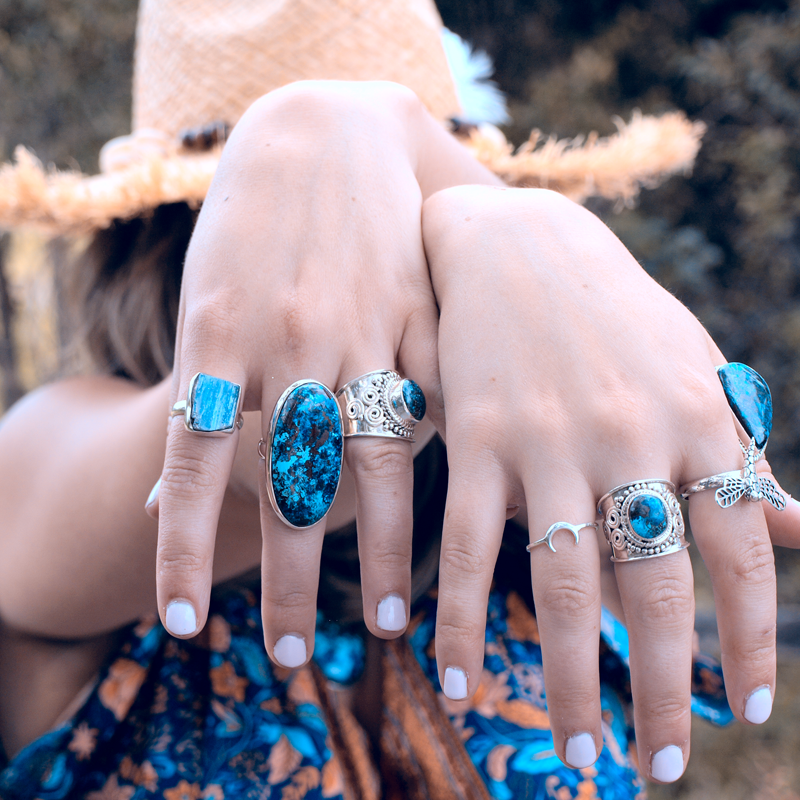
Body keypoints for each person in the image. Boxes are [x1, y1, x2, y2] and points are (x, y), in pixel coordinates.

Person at [1, 1, 798, 797]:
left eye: (427, 223)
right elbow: (306, 433)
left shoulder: (536, 517)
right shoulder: (45, 453)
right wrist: (371, 137)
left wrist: (500, 221)